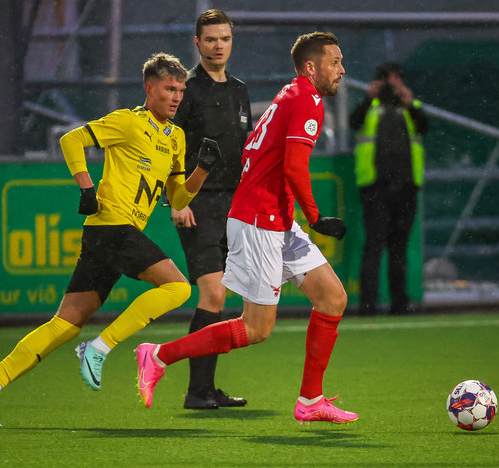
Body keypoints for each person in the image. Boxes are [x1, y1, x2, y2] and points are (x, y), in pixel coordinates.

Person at [0, 52, 221, 428]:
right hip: (112, 225)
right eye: (169, 89)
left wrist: (202, 170)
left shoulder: (176, 138)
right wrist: (86, 187)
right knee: (179, 288)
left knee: (66, 323)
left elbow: (178, 198)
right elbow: (72, 139)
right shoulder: (128, 121)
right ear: (149, 88)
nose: (176, 97)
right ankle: (99, 347)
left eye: (181, 90)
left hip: (115, 232)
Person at [134, 31, 358, 425]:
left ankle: (310, 400)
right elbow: (294, 167)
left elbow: (267, 155)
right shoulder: (306, 99)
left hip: (274, 219)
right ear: (311, 67)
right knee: (255, 329)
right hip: (259, 222)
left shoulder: (292, 93)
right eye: (334, 62)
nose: (341, 69)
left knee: (332, 299)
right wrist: (315, 216)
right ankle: (158, 355)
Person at [171, 9, 251, 410]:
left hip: (234, 205)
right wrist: (177, 199)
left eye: (225, 39)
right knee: (213, 292)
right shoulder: (185, 89)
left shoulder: (239, 89)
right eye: (210, 39)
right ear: (197, 43)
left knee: (221, 299)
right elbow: (167, 145)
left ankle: (205, 388)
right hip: (198, 204)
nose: (218, 46)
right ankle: (196, 391)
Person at [349, 61, 429, 316]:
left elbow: (424, 127)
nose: (391, 85)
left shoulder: (409, 107)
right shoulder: (369, 107)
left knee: (399, 248)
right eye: (387, 80)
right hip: (376, 188)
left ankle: (400, 303)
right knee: (374, 246)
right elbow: (353, 122)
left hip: (405, 187)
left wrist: (409, 102)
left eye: (396, 79)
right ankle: (368, 304)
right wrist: (368, 97)